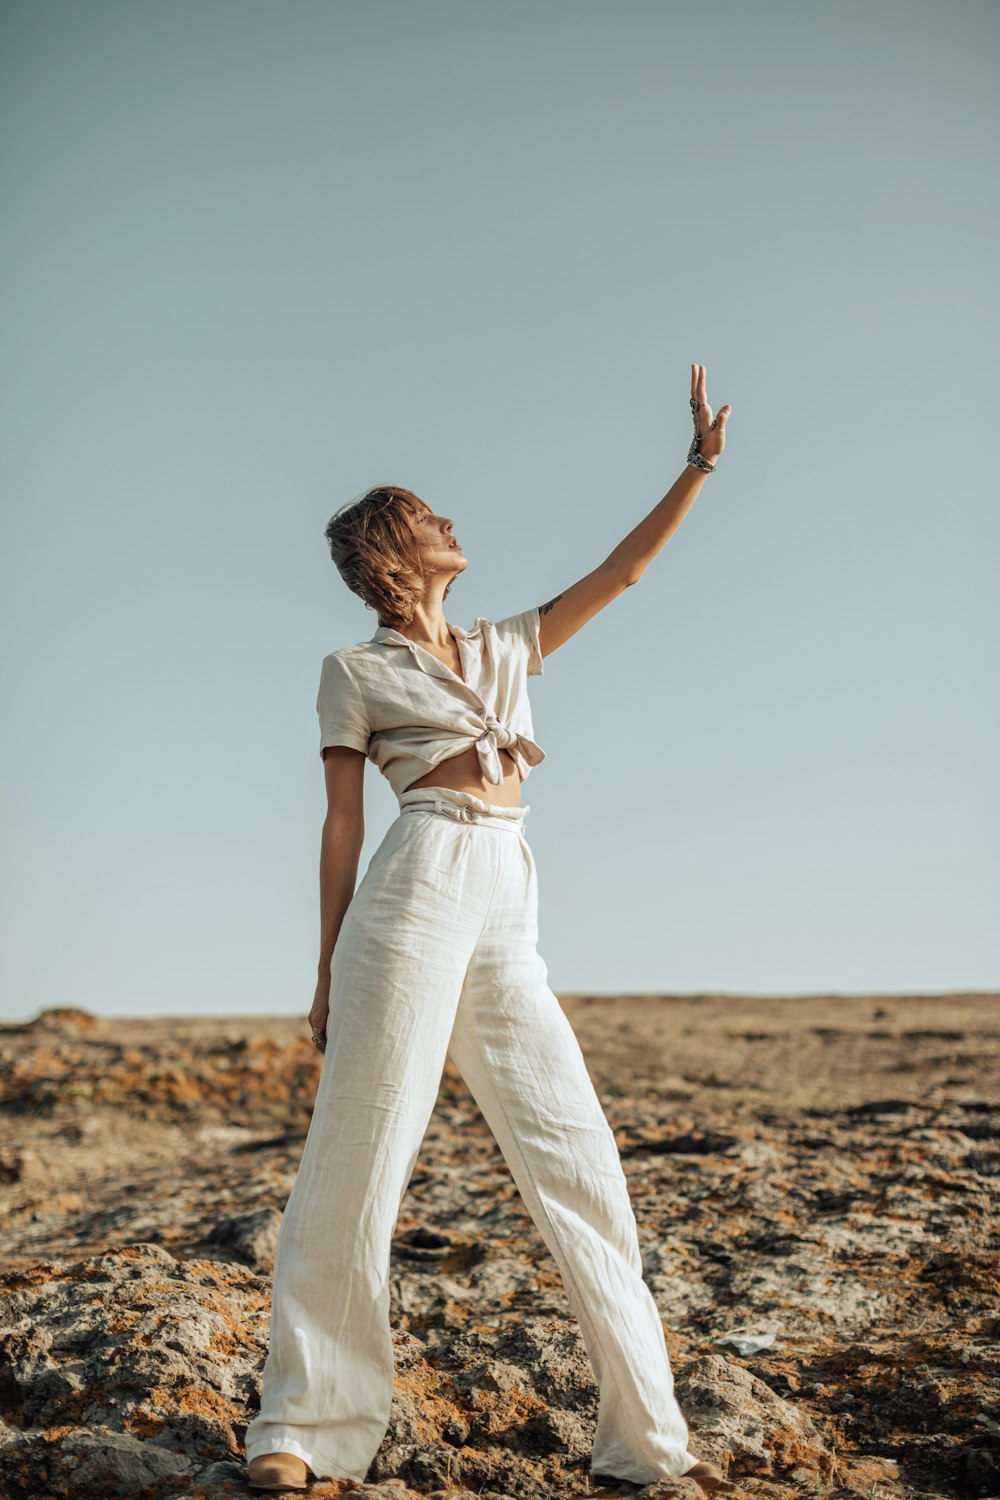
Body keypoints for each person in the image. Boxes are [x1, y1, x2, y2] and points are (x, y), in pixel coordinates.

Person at [245, 366, 734, 1495]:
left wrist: (696, 466)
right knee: (359, 1156)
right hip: (412, 884)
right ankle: (304, 1429)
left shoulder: (508, 645)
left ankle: (647, 1442)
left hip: (508, 894)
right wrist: (323, 968)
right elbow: (338, 827)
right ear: (388, 553)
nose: (452, 524)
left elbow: (624, 570)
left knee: (579, 1158)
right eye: (429, 519)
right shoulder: (354, 670)